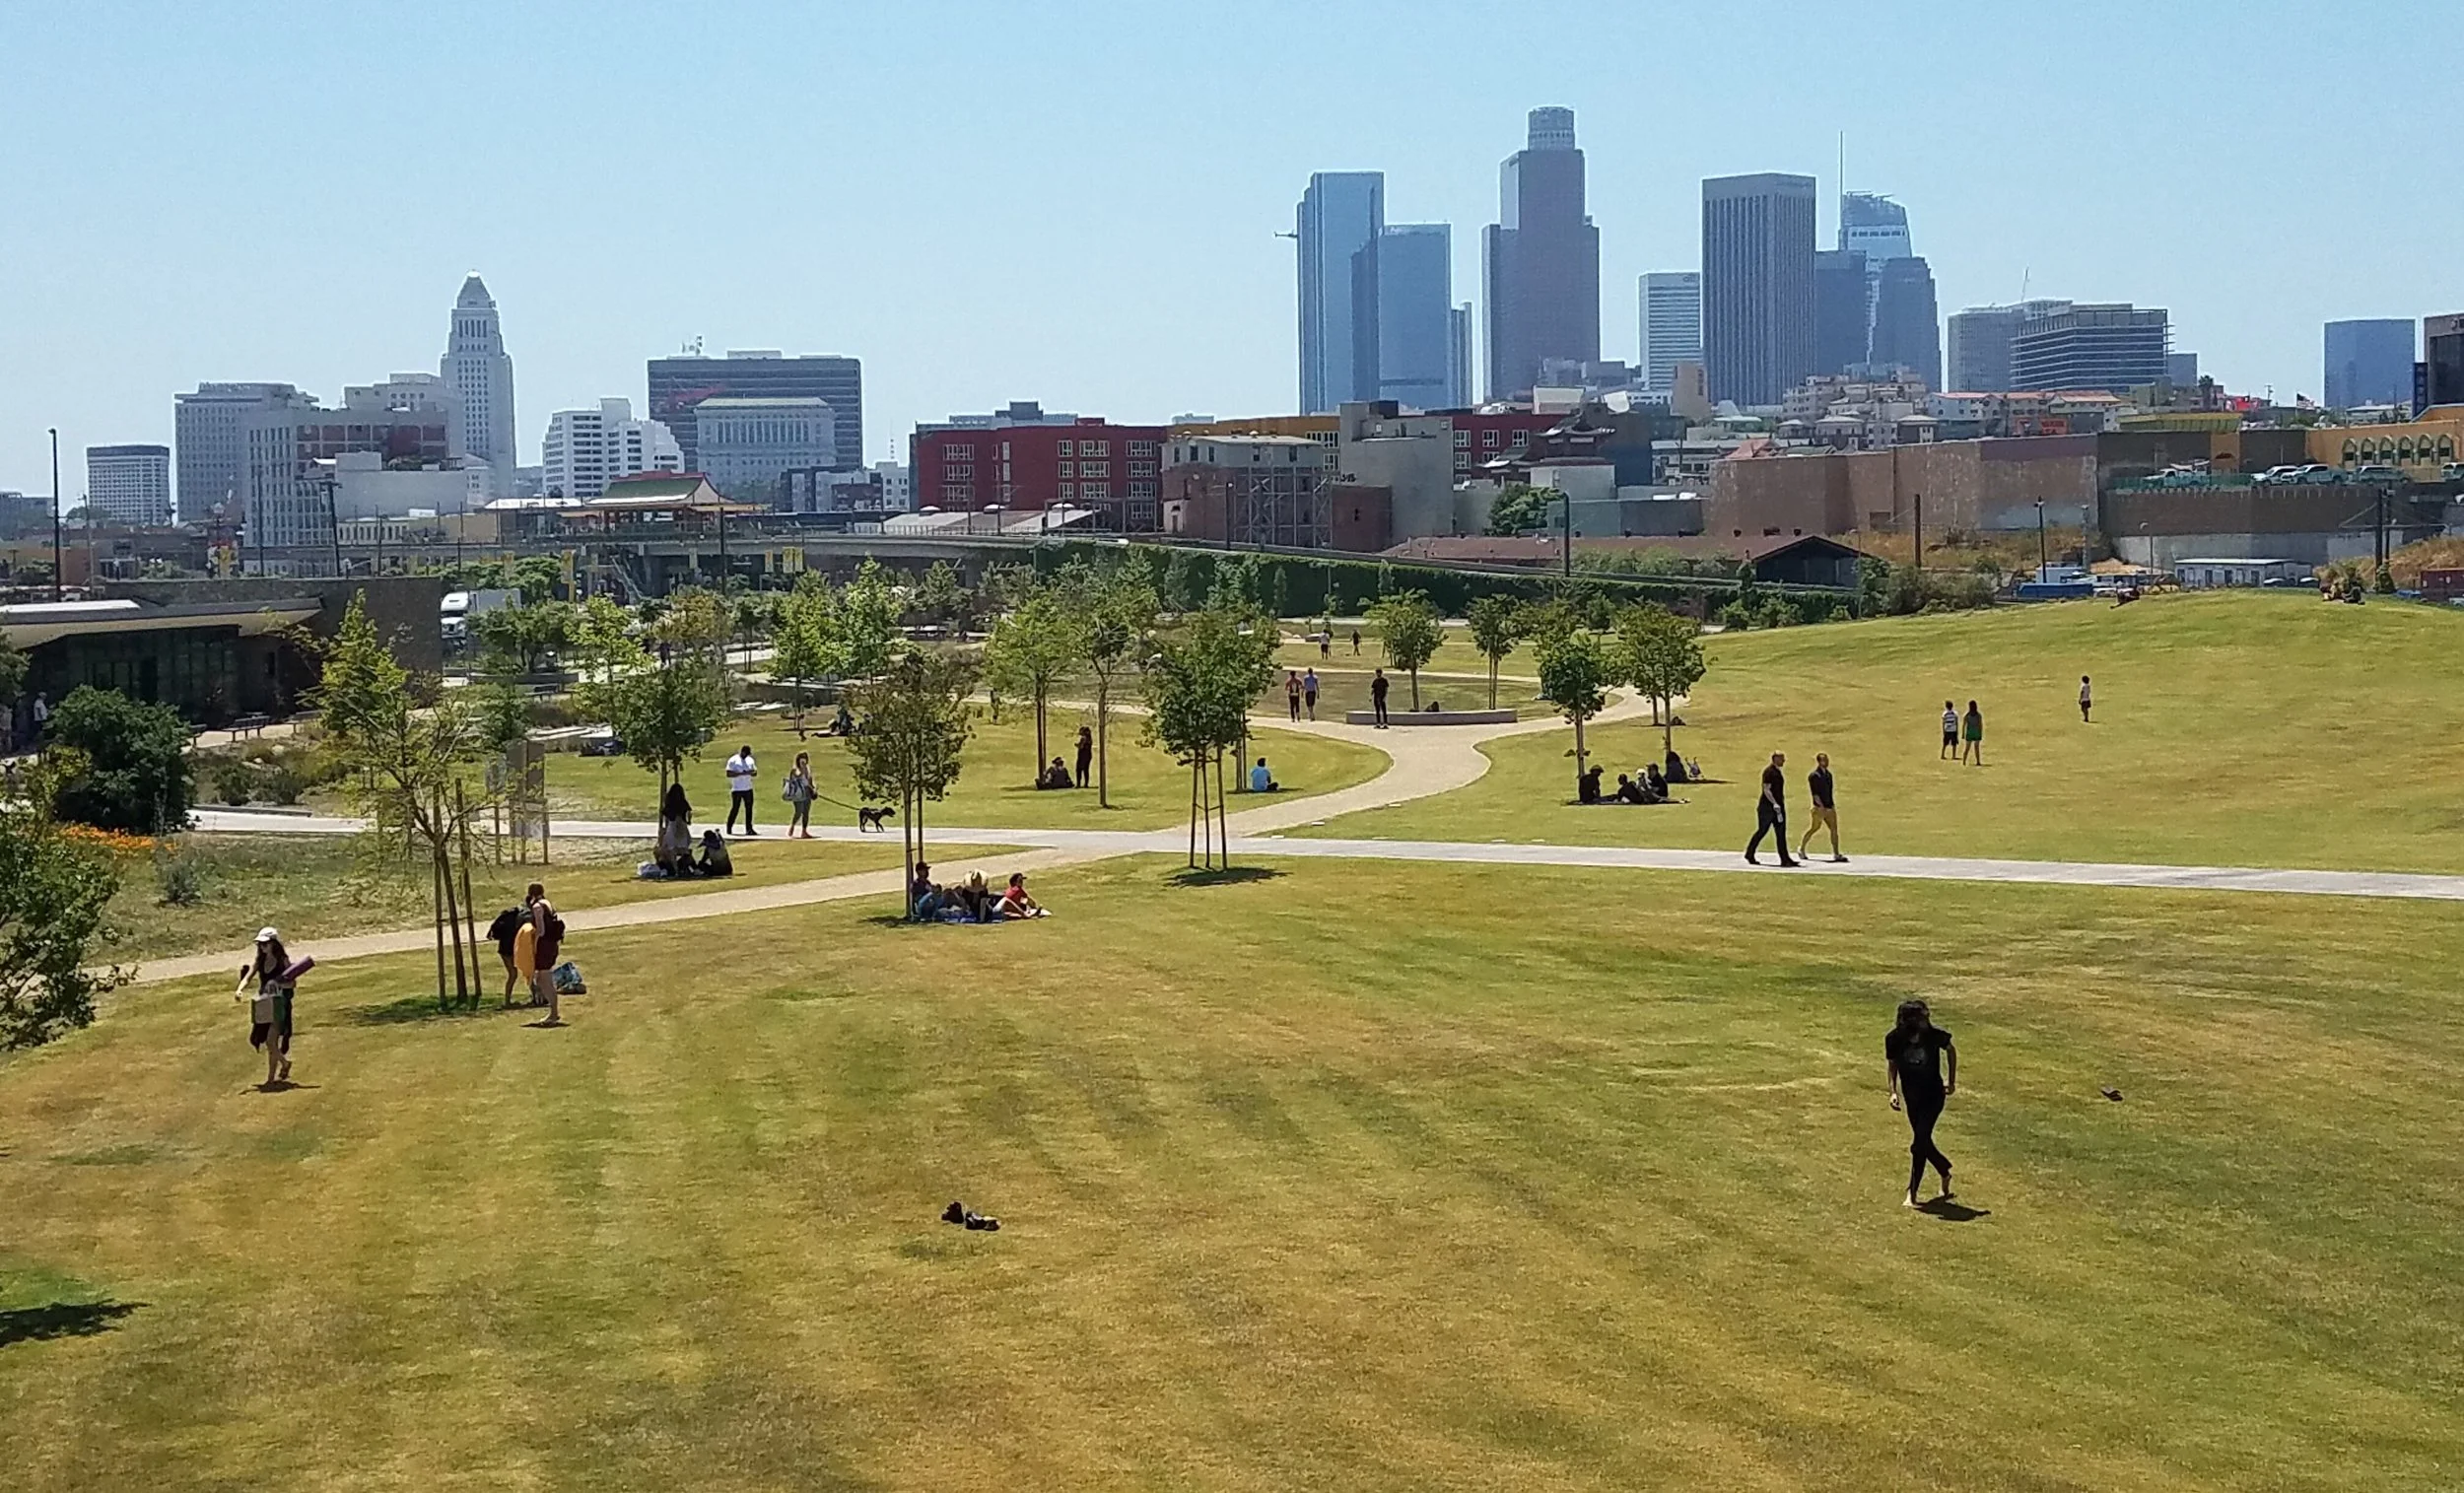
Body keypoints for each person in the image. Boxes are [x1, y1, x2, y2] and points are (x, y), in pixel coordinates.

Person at [1886, 998, 1956, 1207]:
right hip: (1912, 1097)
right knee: (1922, 1141)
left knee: (1919, 1142)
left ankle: (1912, 1193)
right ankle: (1944, 1169)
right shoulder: (1894, 1039)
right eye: (1923, 1017)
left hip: (1933, 1095)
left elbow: (1950, 1050)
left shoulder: (1933, 1036)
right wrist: (1893, 1092)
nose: (1927, 1020)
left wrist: (1951, 1081)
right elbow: (1892, 1066)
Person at [234, 927, 297, 1087]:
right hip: (264, 1003)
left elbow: (292, 983)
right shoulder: (260, 961)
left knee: (270, 1041)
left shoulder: (283, 961)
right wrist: (239, 989)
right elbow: (248, 977)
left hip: (279, 1004)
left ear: (273, 944)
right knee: (268, 1041)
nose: (262, 947)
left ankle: (276, 1073)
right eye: (260, 945)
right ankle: (279, 1070)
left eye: (265, 944)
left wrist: (277, 983)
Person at [1745, 751, 1798, 866]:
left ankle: (1785, 858)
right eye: (1781, 758)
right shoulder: (1769, 772)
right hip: (1767, 808)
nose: (1784, 761)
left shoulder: (1778, 772)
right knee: (1762, 830)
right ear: (1775, 759)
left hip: (1779, 807)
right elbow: (1766, 789)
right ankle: (1750, 853)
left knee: (1781, 833)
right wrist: (1774, 803)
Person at [527, 883, 565, 1026]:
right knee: (541, 979)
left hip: (544, 947)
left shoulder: (537, 907)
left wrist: (534, 945)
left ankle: (554, 1013)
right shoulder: (547, 903)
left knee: (545, 979)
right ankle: (553, 1012)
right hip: (551, 945)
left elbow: (541, 931)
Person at [1799, 751, 1846, 863]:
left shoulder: (1828, 775)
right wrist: (1821, 806)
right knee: (1814, 828)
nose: (1827, 762)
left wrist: (1832, 806)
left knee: (1834, 829)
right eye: (1824, 760)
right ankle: (1802, 848)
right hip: (1819, 808)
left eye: (1827, 760)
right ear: (1819, 762)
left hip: (1829, 807)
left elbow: (1829, 791)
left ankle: (1836, 853)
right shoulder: (1814, 776)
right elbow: (1815, 793)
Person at [487, 900, 530, 1003]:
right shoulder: (523, 916)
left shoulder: (508, 914)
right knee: (518, 973)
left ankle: (507, 1000)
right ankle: (507, 1001)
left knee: (513, 974)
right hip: (510, 949)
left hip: (504, 948)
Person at [655, 781, 695, 875]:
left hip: (672, 825)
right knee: (684, 848)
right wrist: (688, 821)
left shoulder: (669, 802)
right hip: (682, 826)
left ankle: (675, 869)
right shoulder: (683, 802)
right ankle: (686, 868)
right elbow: (689, 812)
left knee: (671, 848)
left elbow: (664, 813)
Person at [724, 744, 759, 834]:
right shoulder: (733, 760)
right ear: (742, 752)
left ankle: (749, 829)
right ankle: (729, 827)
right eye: (745, 753)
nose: (746, 755)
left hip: (748, 788)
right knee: (735, 808)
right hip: (737, 789)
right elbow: (729, 773)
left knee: (749, 809)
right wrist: (741, 773)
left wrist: (751, 772)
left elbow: (754, 772)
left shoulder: (750, 760)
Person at [784, 751, 817, 839]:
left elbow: (809, 780)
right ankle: (792, 826)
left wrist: (813, 789)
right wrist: (802, 770)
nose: (804, 761)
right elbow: (796, 778)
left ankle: (804, 831)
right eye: (802, 759)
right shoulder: (795, 770)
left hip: (807, 791)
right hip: (798, 793)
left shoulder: (807, 769)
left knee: (806, 812)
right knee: (799, 811)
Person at [1961, 700, 1984, 766]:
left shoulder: (1967, 715)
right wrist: (1980, 733)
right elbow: (1980, 725)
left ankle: (1964, 761)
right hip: (1976, 732)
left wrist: (1963, 734)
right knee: (1977, 748)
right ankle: (1978, 761)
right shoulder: (1978, 715)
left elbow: (1964, 725)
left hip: (1969, 732)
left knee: (1967, 748)